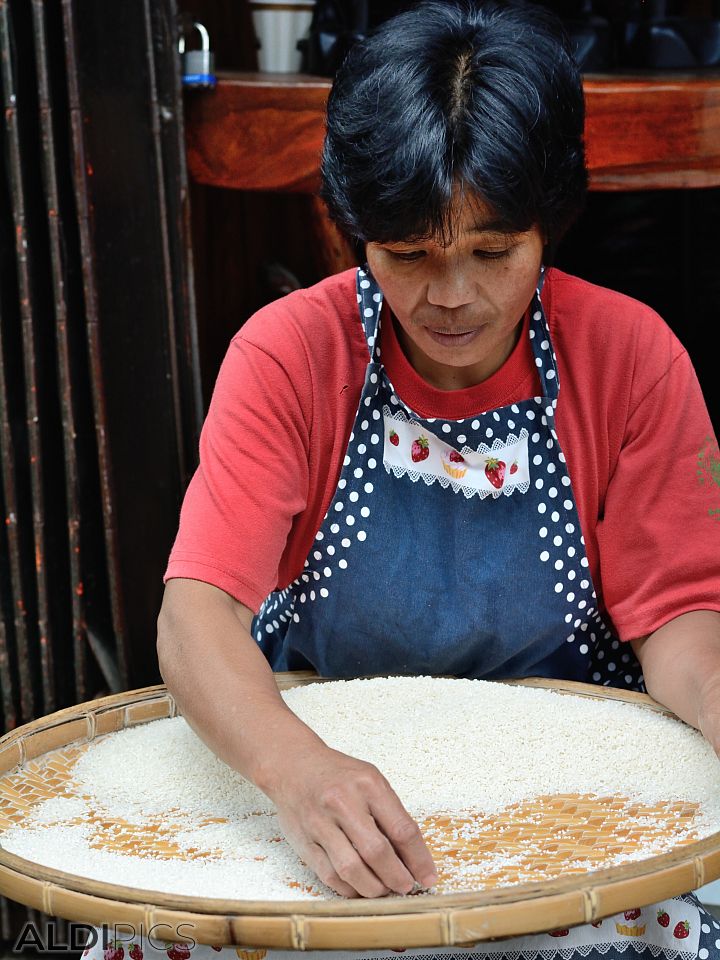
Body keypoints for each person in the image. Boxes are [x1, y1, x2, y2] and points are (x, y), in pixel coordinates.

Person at [144, 0, 720, 957]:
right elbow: (193, 615)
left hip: (574, 801)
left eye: (493, 252)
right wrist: (296, 770)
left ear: (551, 227)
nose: (451, 296)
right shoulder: (289, 355)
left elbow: (683, 621)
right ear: (357, 234)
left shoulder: (631, 357)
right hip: (338, 785)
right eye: (407, 256)